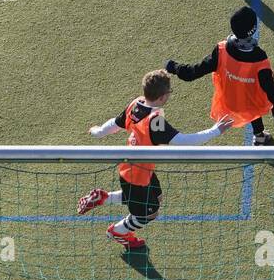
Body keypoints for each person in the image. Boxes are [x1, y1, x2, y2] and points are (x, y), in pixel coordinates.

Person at [78, 69, 234, 249]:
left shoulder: (136, 103)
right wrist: (216, 130)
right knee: (148, 215)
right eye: (169, 92)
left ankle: (103, 198)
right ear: (161, 97)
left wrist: (98, 132)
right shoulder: (155, 121)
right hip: (136, 175)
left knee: (156, 199)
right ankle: (117, 231)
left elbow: (115, 123)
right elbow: (184, 142)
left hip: (140, 168)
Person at [165, 6, 274, 145]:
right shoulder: (259, 57)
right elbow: (272, 93)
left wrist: (173, 66)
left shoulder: (221, 50)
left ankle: (259, 136)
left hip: (231, 103)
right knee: (268, 99)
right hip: (252, 103)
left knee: (246, 95)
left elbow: (192, 73)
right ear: (253, 30)